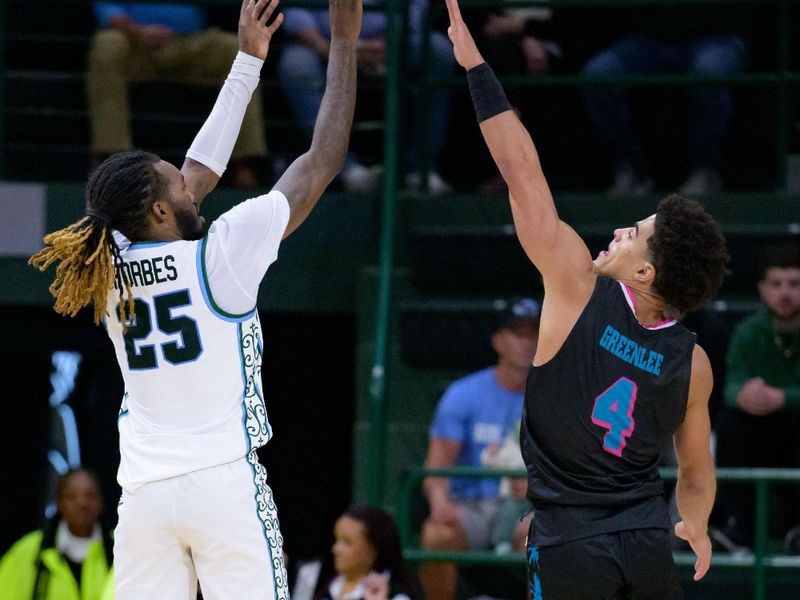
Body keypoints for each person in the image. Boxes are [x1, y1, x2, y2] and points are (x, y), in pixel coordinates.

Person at [29, 0, 362, 597]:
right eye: (177, 182)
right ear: (159, 211)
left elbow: (195, 173)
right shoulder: (222, 253)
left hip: (146, 499)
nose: (192, 181)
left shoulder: (104, 265)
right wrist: (343, 38)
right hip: (221, 488)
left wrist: (246, 64)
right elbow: (322, 160)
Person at [443, 0, 730, 597]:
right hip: (648, 545)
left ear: (646, 273)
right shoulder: (693, 362)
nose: (623, 230)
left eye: (638, 234)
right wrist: (696, 528)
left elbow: (521, 171)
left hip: (569, 545)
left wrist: (477, 68)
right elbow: (697, 475)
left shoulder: (576, 285)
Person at [419, 298, 539, 600]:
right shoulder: (463, 394)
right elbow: (436, 470)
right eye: (518, 333)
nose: (527, 342)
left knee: (542, 538)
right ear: (498, 341)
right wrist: (439, 501)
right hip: (471, 506)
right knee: (436, 535)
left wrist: (538, 487)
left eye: (534, 333)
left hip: (528, 508)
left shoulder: (557, 395)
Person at [278, 0, 455, 194]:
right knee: (296, 67)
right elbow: (295, 10)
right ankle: (344, 170)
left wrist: (388, 43)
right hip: (321, 44)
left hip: (391, 40)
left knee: (439, 52)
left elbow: (414, 8)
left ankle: (419, 169)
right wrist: (332, 49)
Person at [87, 2, 269, 188]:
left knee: (235, 50)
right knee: (107, 45)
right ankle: (111, 164)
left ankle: (244, 166)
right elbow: (108, 11)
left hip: (192, 43)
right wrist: (137, 31)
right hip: (134, 42)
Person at [581, 5, 750, 197]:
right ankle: (631, 170)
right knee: (599, 74)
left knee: (708, 73)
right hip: (649, 39)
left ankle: (706, 170)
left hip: (717, 36)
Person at [714, 243, 800, 551]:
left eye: (794, 284)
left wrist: (783, 397)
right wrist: (744, 395)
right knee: (729, 422)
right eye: (776, 284)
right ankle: (739, 529)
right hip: (761, 431)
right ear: (763, 290)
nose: (785, 293)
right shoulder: (749, 332)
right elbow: (730, 387)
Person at [0, 469, 112, 600]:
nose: (82, 503)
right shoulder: (27, 552)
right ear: (59, 503)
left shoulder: (122, 549)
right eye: (71, 496)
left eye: (90, 495)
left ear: (101, 501)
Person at [300, 506, 420, 600]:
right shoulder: (323, 590)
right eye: (337, 540)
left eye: (347, 542)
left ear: (373, 551)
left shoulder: (396, 595)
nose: (336, 549)